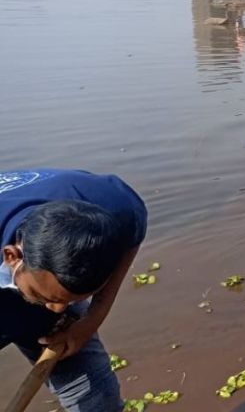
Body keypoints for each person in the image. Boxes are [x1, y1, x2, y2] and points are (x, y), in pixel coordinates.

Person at [0, 169, 147, 410]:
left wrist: (91, 320)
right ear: (12, 256)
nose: (58, 311)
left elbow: (132, 230)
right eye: (44, 297)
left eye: (69, 300)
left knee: (94, 397)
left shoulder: (110, 204)